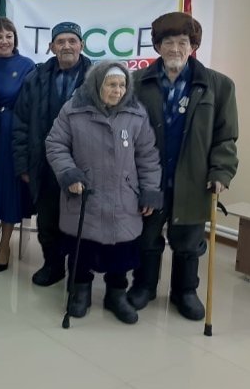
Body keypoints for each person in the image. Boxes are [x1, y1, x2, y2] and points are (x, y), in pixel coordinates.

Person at [127, 12, 238, 321]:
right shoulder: (136, 83)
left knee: (189, 240)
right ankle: (144, 286)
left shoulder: (218, 85)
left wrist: (221, 171)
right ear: (157, 46)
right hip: (150, 178)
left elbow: (226, 136)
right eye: (168, 42)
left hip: (193, 178)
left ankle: (185, 291)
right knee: (147, 237)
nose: (175, 48)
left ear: (193, 46)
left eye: (182, 42)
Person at [45, 61, 162, 324]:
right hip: (85, 195)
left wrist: (150, 190)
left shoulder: (136, 113)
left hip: (124, 197)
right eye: (111, 84)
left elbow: (148, 156)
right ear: (97, 84)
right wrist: (69, 173)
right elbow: (55, 144)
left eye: (122, 85)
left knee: (121, 251)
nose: (118, 90)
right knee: (82, 249)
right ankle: (79, 292)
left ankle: (116, 295)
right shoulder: (73, 109)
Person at [12, 21, 93, 287]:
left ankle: (79, 273)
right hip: (44, 165)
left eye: (72, 41)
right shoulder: (35, 79)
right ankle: (53, 265)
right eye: (60, 41)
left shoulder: (98, 78)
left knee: (80, 221)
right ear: (51, 47)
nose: (67, 46)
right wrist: (23, 165)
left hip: (83, 166)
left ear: (81, 45)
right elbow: (21, 123)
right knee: (47, 220)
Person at [0, 16, 36, 272]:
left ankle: (5, 245)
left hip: (15, 133)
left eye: (8, 36)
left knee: (10, 190)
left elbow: (33, 104)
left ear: (15, 38)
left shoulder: (27, 65)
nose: (4, 41)